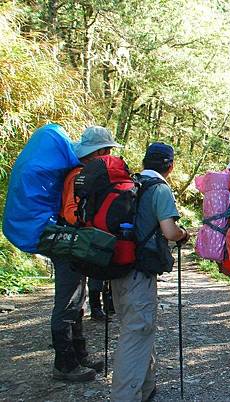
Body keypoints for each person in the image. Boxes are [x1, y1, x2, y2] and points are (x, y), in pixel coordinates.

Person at [110, 142, 190, 402]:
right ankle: (125, 396)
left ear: (145, 162)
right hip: (140, 272)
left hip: (118, 267)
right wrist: (183, 234)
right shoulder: (159, 189)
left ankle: (146, 387)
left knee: (134, 328)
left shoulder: (131, 183)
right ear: (170, 166)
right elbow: (169, 231)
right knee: (137, 333)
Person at [51, 126, 122, 382]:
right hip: (70, 245)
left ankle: (79, 355)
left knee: (77, 299)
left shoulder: (84, 174)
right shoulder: (78, 175)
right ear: (100, 151)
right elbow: (71, 212)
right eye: (108, 150)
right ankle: (65, 364)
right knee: (68, 301)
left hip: (76, 244)